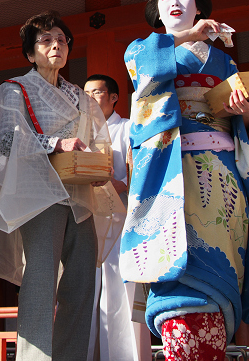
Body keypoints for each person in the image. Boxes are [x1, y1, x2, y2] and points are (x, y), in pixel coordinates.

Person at [0, 11, 122, 361]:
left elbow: (97, 139)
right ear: (30, 53)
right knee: (40, 283)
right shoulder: (16, 91)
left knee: (82, 282)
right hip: (39, 196)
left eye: (61, 39)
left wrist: (99, 165)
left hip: (80, 193)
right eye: (45, 40)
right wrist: (54, 143)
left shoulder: (80, 95)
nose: (56, 44)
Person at [120, 0, 249, 361]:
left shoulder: (224, 61)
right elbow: (146, 72)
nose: (174, 2)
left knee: (220, 260)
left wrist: (247, 113)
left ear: (198, 4)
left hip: (221, 172)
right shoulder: (142, 50)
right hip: (172, 171)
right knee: (176, 258)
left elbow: (245, 127)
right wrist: (188, 36)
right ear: (157, 10)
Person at [83, 75, 151, 361]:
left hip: (120, 217)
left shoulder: (127, 128)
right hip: (87, 217)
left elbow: (140, 172)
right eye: (85, 93)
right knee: (85, 289)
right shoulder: (80, 132)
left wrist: (119, 183)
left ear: (113, 98)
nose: (89, 99)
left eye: (96, 92)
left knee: (118, 288)